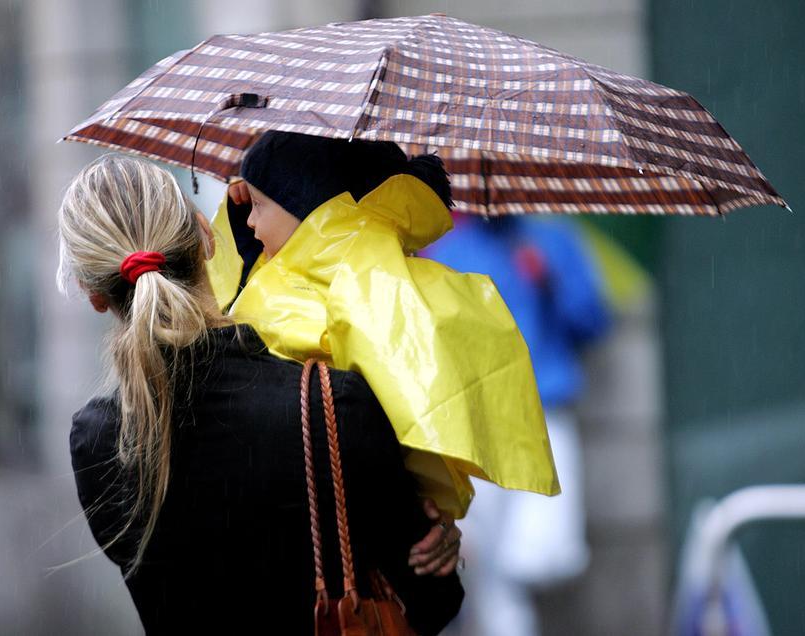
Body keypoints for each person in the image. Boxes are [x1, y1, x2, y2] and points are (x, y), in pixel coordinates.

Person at [59, 154, 464, 634]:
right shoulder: (331, 404)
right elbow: (433, 601)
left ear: (92, 292)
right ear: (205, 236)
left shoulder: (96, 440)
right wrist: (440, 535)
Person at [207, 131, 559, 519]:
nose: (251, 220)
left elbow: (410, 421)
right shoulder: (344, 271)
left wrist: (427, 514)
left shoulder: (367, 288)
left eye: (258, 205)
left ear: (309, 208)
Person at [424, 214, 611, 636]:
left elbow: (595, 319)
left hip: (544, 416)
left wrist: (551, 278)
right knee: (487, 565)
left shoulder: (554, 241)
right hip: (478, 421)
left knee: (535, 556)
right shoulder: (452, 250)